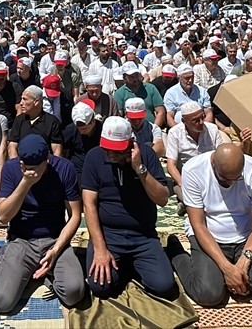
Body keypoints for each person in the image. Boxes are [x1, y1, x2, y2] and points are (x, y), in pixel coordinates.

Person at [167, 144, 252, 307]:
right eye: (225, 178)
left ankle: (234, 277)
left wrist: (243, 263)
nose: (231, 183)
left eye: (237, 178)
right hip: (209, 236)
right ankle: (177, 254)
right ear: (213, 164)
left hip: (245, 237)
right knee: (209, 295)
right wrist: (226, 268)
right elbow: (198, 225)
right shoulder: (193, 169)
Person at [81, 116, 177, 300]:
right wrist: (100, 249)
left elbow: (162, 199)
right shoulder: (94, 157)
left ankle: (156, 256)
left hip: (143, 235)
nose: (111, 154)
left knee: (164, 287)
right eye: (107, 148)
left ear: (130, 143)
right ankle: (125, 264)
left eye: (116, 150)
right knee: (100, 287)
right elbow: (89, 205)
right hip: (109, 235)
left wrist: (139, 168)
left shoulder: (147, 155)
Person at [0, 134, 85, 313]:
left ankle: (46, 272)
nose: (29, 170)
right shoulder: (11, 168)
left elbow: (75, 216)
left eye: (35, 168)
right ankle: (11, 264)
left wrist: (56, 250)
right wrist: (25, 183)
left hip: (55, 239)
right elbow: (3, 216)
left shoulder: (64, 168)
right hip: (22, 240)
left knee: (74, 293)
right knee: (1, 302)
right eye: (25, 166)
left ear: (46, 160)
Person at [165, 100, 226, 206]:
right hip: (187, 179)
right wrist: (183, 184)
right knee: (195, 201)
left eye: (202, 117)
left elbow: (222, 156)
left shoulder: (212, 129)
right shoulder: (174, 133)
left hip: (211, 177)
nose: (201, 122)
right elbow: (171, 165)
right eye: (196, 120)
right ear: (184, 121)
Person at [8, 84, 63, 159]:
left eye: (25, 99)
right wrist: (16, 165)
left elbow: (57, 151)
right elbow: (12, 146)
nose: (21, 103)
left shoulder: (52, 122)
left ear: (36, 102)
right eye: (21, 99)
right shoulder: (19, 120)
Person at [60, 101, 101, 176]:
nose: (81, 131)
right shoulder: (71, 130)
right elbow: (63, 149)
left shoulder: (101, 130)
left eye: (84, 128)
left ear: (93, 121)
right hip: (77, 169)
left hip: (97, 168)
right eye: (79, 128)